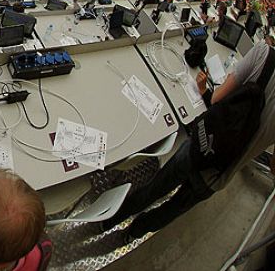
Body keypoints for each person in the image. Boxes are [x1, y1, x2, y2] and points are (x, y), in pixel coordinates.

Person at [103, 39, 275, 240]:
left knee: (154, 189)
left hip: (201, 146)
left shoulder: (264, 53)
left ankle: (109, 222)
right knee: (170, 211)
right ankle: (132, 234)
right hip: (219, 174)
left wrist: (205, 89)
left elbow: (216, 99)